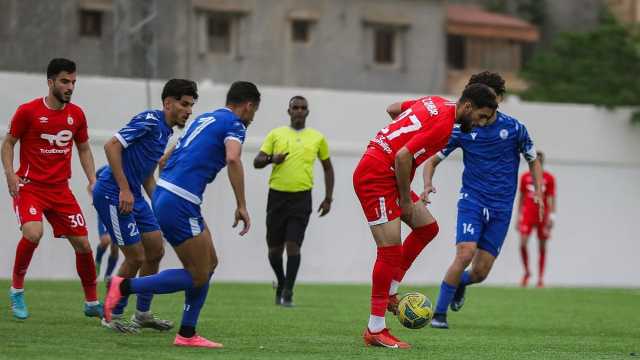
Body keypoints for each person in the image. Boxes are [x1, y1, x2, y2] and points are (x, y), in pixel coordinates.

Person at [104, 81, 260, 348]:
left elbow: (164, 160)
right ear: (248, 106)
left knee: (209, 264)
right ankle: (123, 287)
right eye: (254, 111)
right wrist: (242, 204)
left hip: (171, 195)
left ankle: (187, 333)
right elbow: (233, 158)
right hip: (179, 200)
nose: (252, 116)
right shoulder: (234, 124)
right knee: (197, 274)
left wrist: (172, 187)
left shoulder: (207, 118)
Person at [353, 84, 499, 348]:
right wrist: (406, 199)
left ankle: (391, 293)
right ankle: (375, 329)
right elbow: (402, 155)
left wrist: (396, 136)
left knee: (427, 228)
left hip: (387, 172)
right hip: (376, 176)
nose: (480, 124)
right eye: (481, 116)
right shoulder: (444, 126)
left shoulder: (435, 102)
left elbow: (393, 109)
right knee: (389, 251)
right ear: (467, 107)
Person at [423, 71, 544, 330]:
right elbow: (433, 160)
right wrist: (427, 183)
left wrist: (539, 190)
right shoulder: (463, 129)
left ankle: (461, 284)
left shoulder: (514, 128)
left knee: (479, 273)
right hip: (472, 201)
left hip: (501, 207)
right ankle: (439, 315)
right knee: (465, 253)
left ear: (498, 99)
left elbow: (533, 159)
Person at [93, 79, 198, 332]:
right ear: (168, 103)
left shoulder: (166, 131)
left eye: (191, 106)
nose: (189, 111)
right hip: (112, 193)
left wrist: (160, 205)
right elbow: (111, 145)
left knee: (155, 250)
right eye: (184, 104)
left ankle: (142, 313)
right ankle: (111, 315)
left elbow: (148, 174)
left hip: (135, 196)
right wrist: (125, 188)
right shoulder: (150, 120)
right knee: (136, 256)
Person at [2, 58, 102, 320]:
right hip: (30, 187)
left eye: (73, 82)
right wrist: (10, 174)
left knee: (83, 243)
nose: (70, 87)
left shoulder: (76, 115)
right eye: (64, 81)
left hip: (61, 190)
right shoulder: (28, 112)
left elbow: (83, 148)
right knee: (34, 232)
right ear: (50, 82)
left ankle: (92, 302)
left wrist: (93, 180)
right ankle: (16, 290)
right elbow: (9, 143)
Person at [253, 96, 334, 307]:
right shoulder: (276, 134)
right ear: (288, 111)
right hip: (277, 197)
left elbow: (327, 167)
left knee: (293, 246)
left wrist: (328, 198)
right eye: (295, 107)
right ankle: (281, 282)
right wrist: (272, 159)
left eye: (303, 108)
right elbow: (257, 162)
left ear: (307, 112)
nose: (299, 111)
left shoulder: (317, 138)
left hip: (301, 197)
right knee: (274, 250)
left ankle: (288, 291)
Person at [518, 150, 556, 288]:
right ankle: (527, 272)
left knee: (542, 246)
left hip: (542, 215)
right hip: (528, 215)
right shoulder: (525, 177)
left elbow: (551, 198)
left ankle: (540, 278)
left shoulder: (549, 178)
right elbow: (521, 197)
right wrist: (518, 216)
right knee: (522, 243)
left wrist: (552, 216)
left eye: (539, 161)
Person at [93, 166, 119, 282]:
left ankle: (108, 276)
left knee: (115, 247)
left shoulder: (128, 168)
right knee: (105, 240)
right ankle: (97, 262)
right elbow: (92, 183)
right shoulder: (105, 169)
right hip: (105, 209)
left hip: (119, 211)